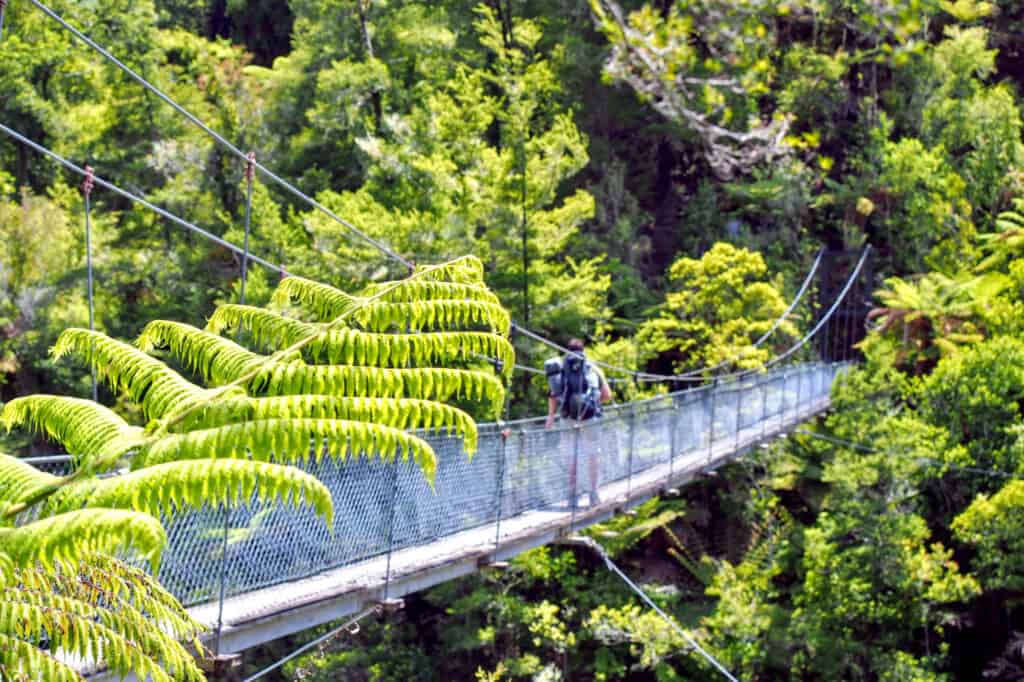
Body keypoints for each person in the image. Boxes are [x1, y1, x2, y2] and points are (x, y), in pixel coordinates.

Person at [544, 338, 612, 506]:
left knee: (571, 455)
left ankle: (572, 496)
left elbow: (554, 394)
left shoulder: (562, 368)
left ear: (568, 350)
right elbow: (607, 396)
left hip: (568, 417)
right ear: (584, 350)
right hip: (590, 418)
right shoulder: (593, 368)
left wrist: (551, 416)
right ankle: (593, 493)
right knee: (593, 455)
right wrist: (590, 404)